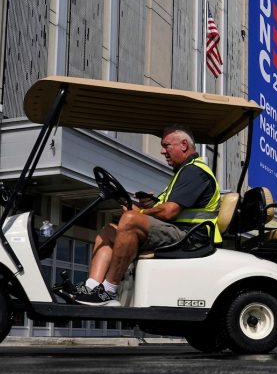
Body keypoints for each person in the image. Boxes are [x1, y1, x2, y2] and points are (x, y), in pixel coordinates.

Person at [73, 124, 221, 306]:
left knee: (130, 219)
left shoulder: (194, 171)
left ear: (184, 145)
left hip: (189, 237)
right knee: (108, 231)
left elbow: (169, 211)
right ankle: (92, 287)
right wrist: (149, 205)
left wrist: (140, 212)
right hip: (177, 232)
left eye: (166, 145)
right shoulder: (184, 172)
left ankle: (109, 290)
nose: (162, 151)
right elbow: (165, 207)